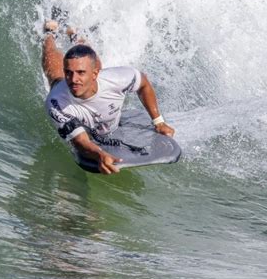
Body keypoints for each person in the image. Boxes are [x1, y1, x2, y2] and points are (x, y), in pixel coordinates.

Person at [42, 19, 175, 175]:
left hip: (101, 81)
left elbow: (143, 83)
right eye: (69, 73)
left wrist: (158, 121)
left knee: (91, 60)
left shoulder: (118, 79)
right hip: (78, 117)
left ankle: (75, 35)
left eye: (81, 73)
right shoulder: (57, 103)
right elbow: (80, 141)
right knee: (55, 75)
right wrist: (100, 154)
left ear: (95, 74)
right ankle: (50, 33)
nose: (73, 80)